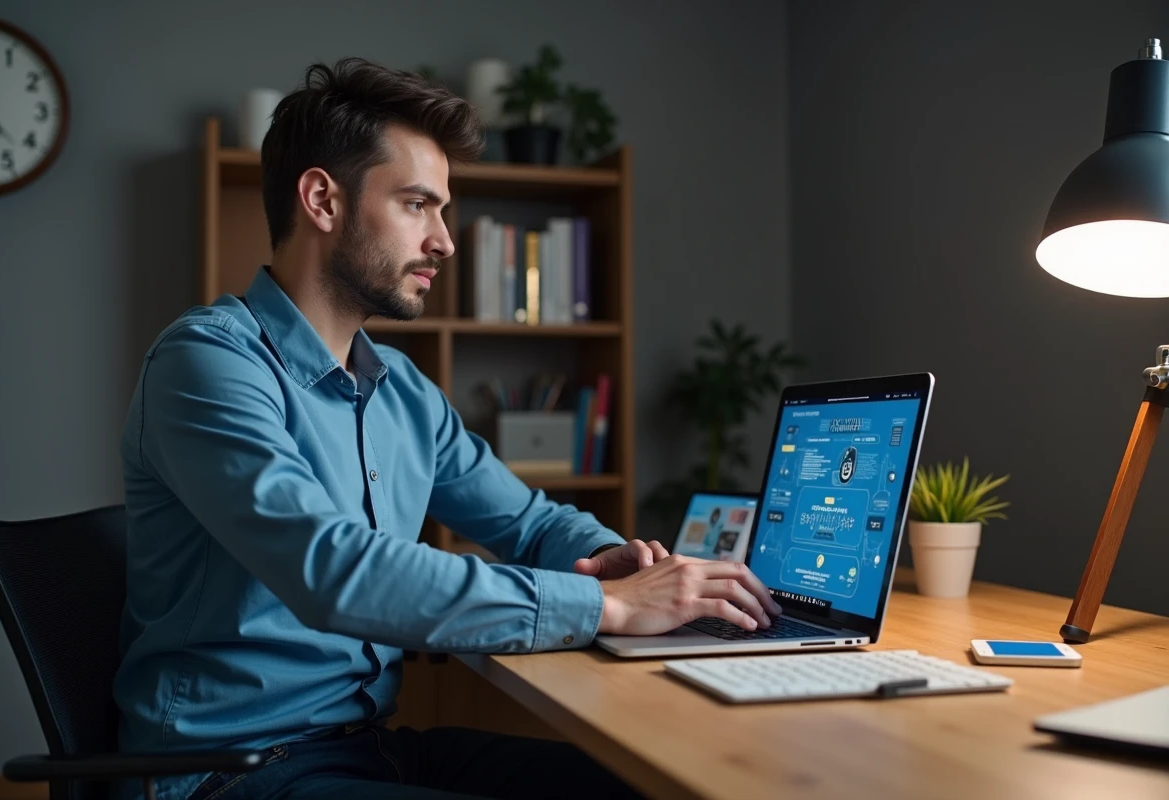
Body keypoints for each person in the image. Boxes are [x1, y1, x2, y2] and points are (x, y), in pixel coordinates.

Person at [113, 58, 781, 800]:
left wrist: (610, 560)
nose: (445, 242)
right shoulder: (205, 363)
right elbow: (333, 571)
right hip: (230, 775)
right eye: (416, 205)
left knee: (654, 787)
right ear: (322, 200)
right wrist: (608, 607)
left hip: (366, 750)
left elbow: (526, 523)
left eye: (443, 210)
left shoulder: (399, 388)